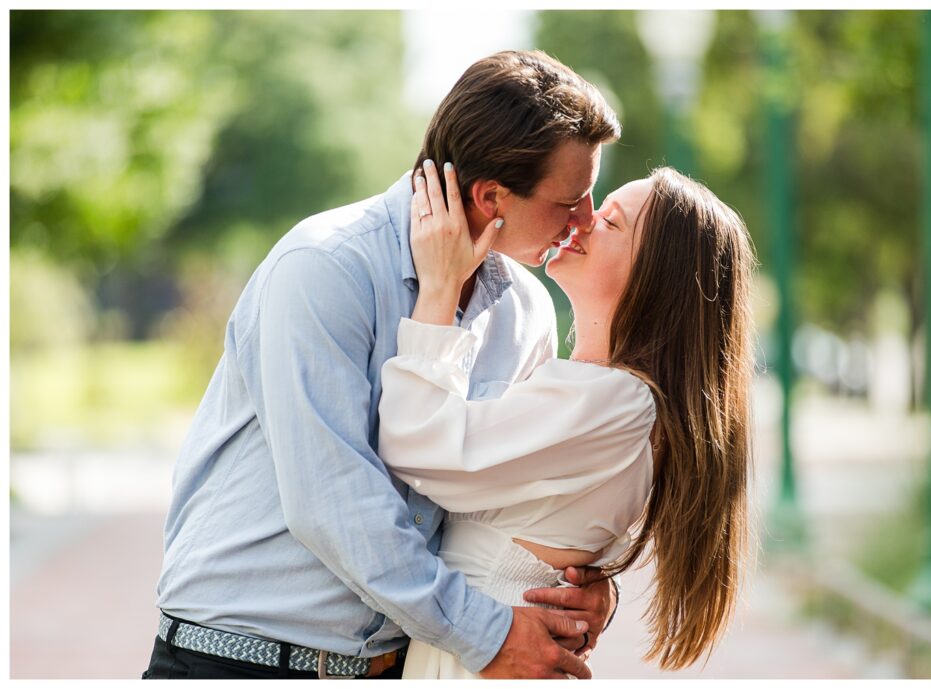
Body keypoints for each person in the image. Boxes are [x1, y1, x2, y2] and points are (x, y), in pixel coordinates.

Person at [144, 50, 622, 680]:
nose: (586, 222)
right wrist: (490, 633)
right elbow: (335, 506)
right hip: (240, 659)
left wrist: (582, 588)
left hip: (401, 665)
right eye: (572, 201)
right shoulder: (323, 270)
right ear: (490, 197)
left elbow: (507, 510)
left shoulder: (525, 312)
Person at [376, 161, 756, 678]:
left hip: (489, 659)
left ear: (656, 277)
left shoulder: (614, 401)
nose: (583, 220)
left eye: (612, 222)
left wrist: (440, 289)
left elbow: (417, 446)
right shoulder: (609, 396)